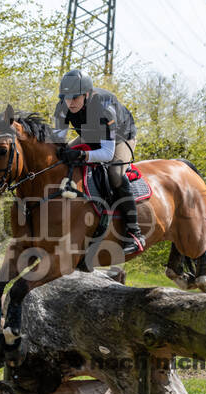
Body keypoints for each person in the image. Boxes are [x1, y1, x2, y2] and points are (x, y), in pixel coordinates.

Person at [53, 69, 145, 255]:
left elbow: (107, 153)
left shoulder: (104, 111)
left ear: (86, 94)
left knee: (115, 174)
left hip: (120, 137)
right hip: (90, 134)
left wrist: (82, 156)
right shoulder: (63, 106)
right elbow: (57, 139)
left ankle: (134, 232)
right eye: (66, 98)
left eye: (75, 97)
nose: (70, 103)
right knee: (58, 158)